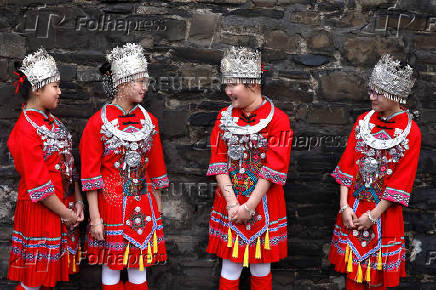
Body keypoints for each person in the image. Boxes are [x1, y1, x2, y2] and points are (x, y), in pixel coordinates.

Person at [80, 43, 169, 290]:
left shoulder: (150, 121)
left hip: (143, 204)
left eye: (145, 81)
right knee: (112, 266)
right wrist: (95, 218)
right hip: (111, 206)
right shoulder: (97, 123)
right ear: (121, 82)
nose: (144, 87)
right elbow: (90, 175)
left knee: (139, 269)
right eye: (138, 81)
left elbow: (156, 166)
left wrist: (158, 206)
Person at [329, 54, 421, 289]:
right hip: (353, 209)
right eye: (371, 91)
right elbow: (346, 166)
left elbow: (401, 182)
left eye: (377, 92)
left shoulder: (411, 133)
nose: (371, 97)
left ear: (394, 95)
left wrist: (373, 216)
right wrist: (344, 207)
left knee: (378, 278)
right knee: (352, 276)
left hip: (384, 215)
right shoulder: (362, 121)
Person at [206, 46, 293, 290]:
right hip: (230, 200)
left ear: (252, 84)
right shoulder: (224, 116)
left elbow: (274, 169)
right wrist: (234, 204)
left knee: (261, 265)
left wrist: (249, 206)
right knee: (229, 264)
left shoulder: (278, 120)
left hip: (263, 203)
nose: (227, 91)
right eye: (226, 85)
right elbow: (218, 161)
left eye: (232, 85)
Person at [7, 48, 84, 290]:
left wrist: (78, 201)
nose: (60, 92)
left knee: (47, 278)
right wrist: (66, 213)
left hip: (62, 207)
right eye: (56, 86)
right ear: (38, 89)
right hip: (42, 210)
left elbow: (71, 165)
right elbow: (38, 184)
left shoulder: (56, 123)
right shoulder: (24, 130)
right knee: (33, 280)